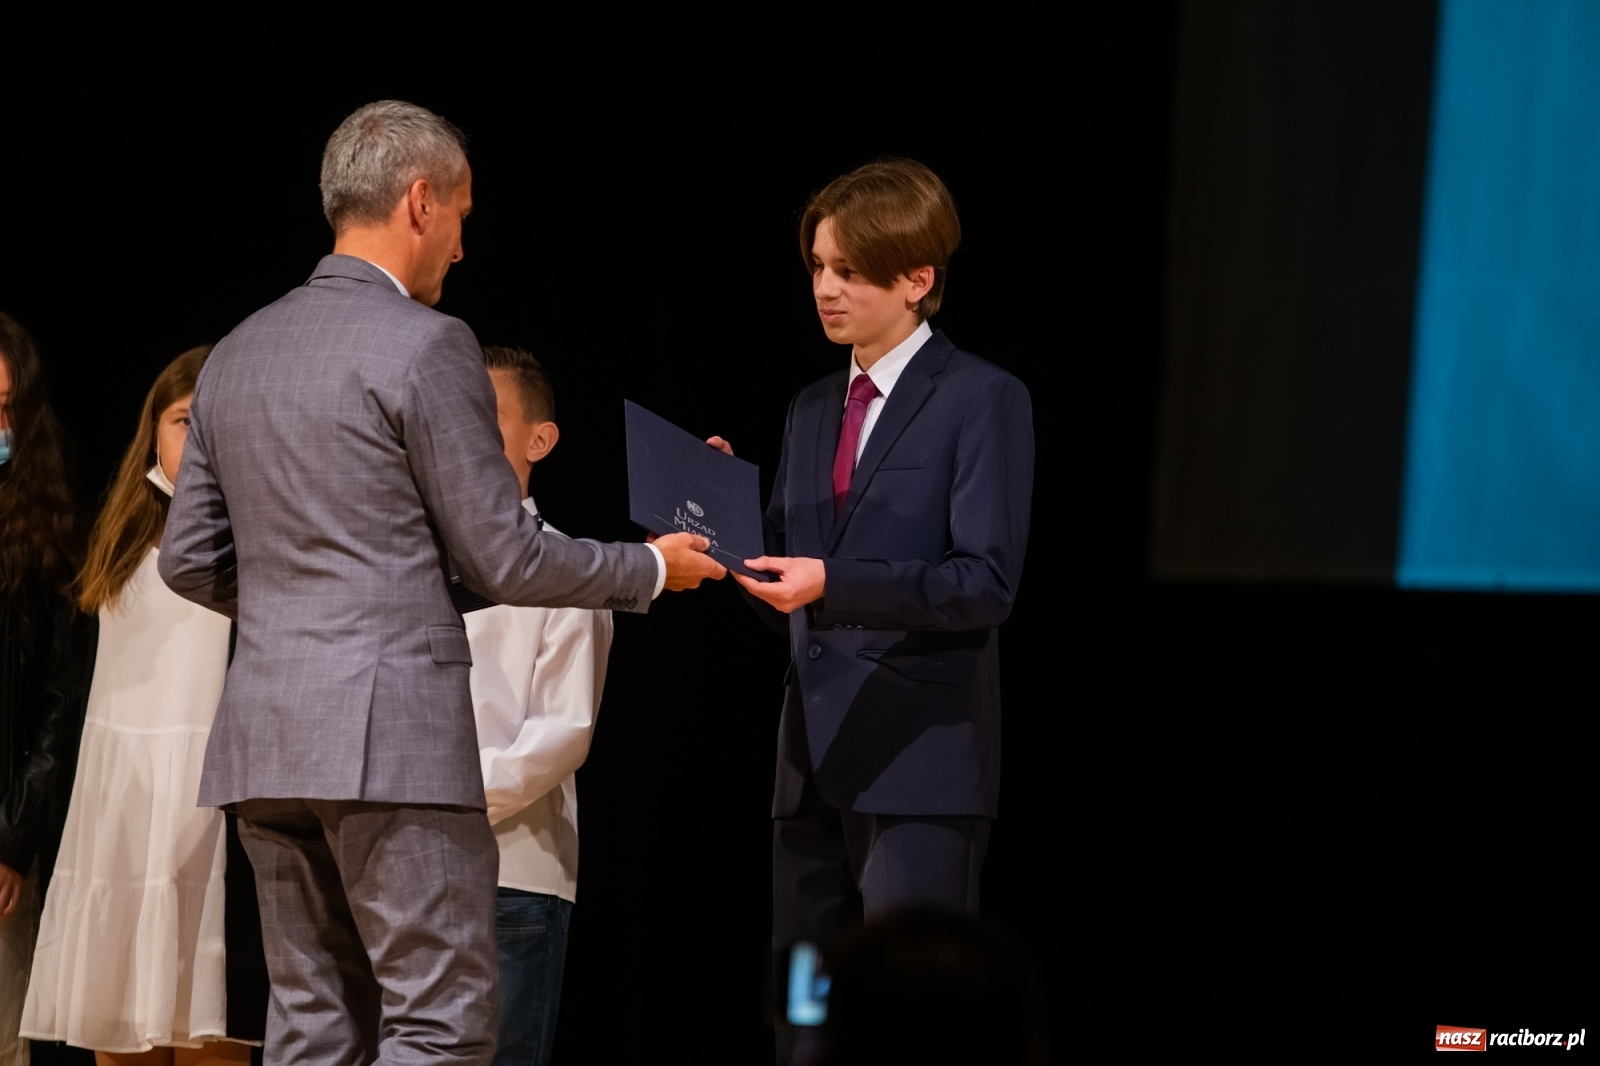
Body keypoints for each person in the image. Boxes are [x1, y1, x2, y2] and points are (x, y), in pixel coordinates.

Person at [156, 100, 723, 1065]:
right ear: (420, 201)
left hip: (267, 740)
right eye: (461, 214)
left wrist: (313, 613)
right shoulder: (429, 343)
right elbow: (505, 554)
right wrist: (651, 569)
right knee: (440, 1021)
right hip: (392, 742)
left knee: (312, 1023)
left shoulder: (241, 349)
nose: (461, 246)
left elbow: (188, 557)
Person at [710, 159, 1034, 1063]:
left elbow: (984, 583)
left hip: (919, 764)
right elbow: (789, 592)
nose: (826, 288)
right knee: (802, 1015)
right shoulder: (811, 408)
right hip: (809, 763)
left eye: (849, 271)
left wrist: (831, 583)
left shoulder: (982, 399)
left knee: (914, 1019)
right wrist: (724, 529)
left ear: (917, 279)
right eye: (817, 266)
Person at [21, 345, 267, 1062]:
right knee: (119, 1029)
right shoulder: (120, 538)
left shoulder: (253, 539)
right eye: (185, 420)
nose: (198, 440)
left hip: (208, 809)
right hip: (122, 805)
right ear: (154, 428)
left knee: (207, 1028)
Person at [465, 346, 608, 1066]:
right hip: (401, 872)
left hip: (511, 876)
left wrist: (445, 799)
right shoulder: (411, 558)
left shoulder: (568, 566)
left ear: (538, 440)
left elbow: (563, 732)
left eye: (482, 415)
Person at [0, 313, 86, 1066]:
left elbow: (57, 707)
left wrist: (10, 839)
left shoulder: (36, 537)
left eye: (7, 409)